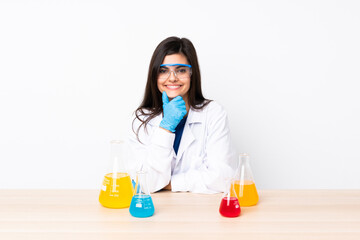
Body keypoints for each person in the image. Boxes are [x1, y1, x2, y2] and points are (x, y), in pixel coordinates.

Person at [126, 36, 236, 194]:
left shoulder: (213, 113)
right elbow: (143, 184)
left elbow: (223, 178)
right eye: (163, 70)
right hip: (156, 212)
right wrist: (166, 127)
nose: (172, 78)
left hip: (200, 210)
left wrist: (169, 183)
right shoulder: (141, 119)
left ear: (192, 74)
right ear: (154, 75)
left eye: (181, 70)